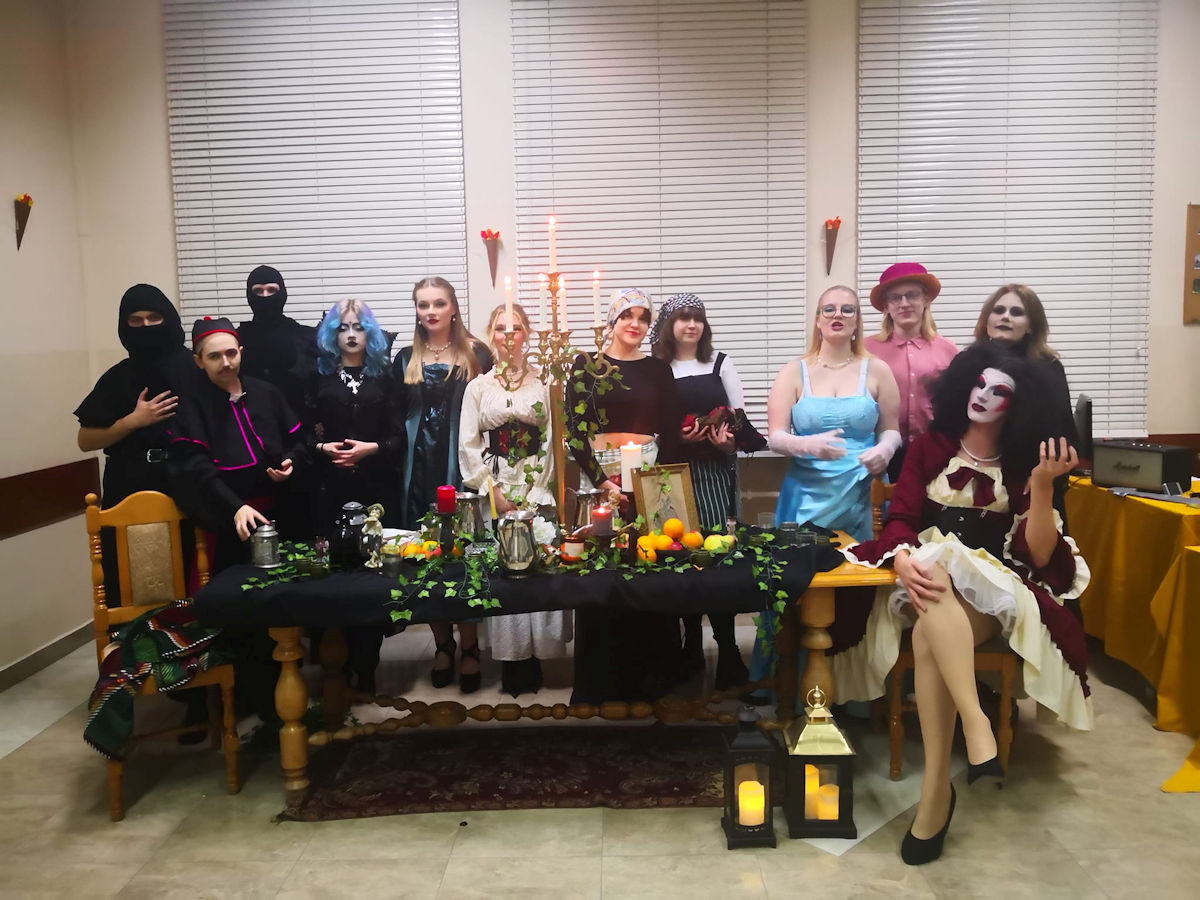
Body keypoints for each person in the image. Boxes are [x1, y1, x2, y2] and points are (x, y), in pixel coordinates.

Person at [832, 342, 1092, 865]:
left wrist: (1043, 486)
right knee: (935, 580)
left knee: (934, 634)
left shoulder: (1022, 465)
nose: (984, 395)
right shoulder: (930, 447)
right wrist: (901, 557)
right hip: (922, 583)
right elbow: (901, 519)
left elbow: (1041, 555)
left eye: (1000, 391)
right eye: (979, 383)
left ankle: (937, 792)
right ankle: (976, 725)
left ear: (1018, 406)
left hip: (990, 596)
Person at [746, 286, 901, 702]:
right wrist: (806, 445)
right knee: (793, 586)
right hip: (805, 496)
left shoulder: (878, 370)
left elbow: (892, 429)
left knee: (858, 589)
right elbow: (775, 435)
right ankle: (784, 684)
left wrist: (885, 450)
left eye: (847, 310)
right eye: (829, 309)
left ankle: (851, 692)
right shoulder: (793, 371)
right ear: (817, 320)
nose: (838, 315)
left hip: (860, 493)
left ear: (857, 321)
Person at [566, 288, 683, 704]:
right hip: (600, 483)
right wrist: (604, 482)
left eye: (643, 317)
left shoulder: (659, 370)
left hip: (647, 480)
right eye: (626, 316)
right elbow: (574, 432)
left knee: (648, 566)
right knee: (602, 571)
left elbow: (670, 431)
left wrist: (649, 482)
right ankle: (601, 682)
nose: (635, 324)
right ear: (612, 321)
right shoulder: (587, 366)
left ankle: (653, 679)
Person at [459, 303, 569, 696]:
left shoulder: (545, 384)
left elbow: (555, 443)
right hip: (498, 484)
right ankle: (512, 659)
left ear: (528, 335)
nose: (509, 336)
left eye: (517, 328)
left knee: (538, 566)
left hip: (536, 482)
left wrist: (538, 490)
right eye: (501, 328)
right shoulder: (478, 388)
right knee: (505, 569)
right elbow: (468, 445)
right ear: (491, 335)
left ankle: (539, 655)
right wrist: (493, 491)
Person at [392, 276, 492, 693]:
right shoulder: (404, 358)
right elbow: (394, 418)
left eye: (438, 303)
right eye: (423, 304)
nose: (430, 311)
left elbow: (492, 411)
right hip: (416, 467)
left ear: (453, 307)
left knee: (464, 554)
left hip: (460, 461)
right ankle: (442, 644)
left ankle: (470, 646)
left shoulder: (477, 353)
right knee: (424, 555)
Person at [648, 292, 751, 690]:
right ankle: (689, 644)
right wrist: (676, 439)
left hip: (715, 472)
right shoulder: (657, 369)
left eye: (698, 318)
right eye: (683, 318)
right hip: (673, 473)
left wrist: (728, 444)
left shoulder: (721, 364)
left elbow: (739, 422)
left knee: (718, 558)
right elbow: (650, 426)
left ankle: (728, 649)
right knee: (680, 554)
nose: (692, 324)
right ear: (668, 326)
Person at [307, 298, 403, 692]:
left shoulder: (385, 378)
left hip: (375, 488)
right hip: (329, 488)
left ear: (371, 334)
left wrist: (370, 449)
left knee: (372, 576)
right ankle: (337, 666)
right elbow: (300, 431)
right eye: (343, 327)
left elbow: (399, 436)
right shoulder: (317, 376)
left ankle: (367, 668)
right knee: (334, 575)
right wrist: (321, 448)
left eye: (359, 327)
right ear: (333, 334)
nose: (351, 334)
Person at [168, 317, 305, 572]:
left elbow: (298, 442)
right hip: (226, 521)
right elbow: (196, 470)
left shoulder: (267, 392)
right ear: (199, 361)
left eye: (231, 353)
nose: (226, 363)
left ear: (240, 352)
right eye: (214, 356)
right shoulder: (192, 405)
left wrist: (291, 461)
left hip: (281, 514)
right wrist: (236, 507)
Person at [973, 283, 1078, 524]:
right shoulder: (969, 363)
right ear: (987, 319)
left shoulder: (1049, 368)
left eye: (1016, 312)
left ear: (1031, 326)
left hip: (1031, 481)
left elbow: (1061, 432)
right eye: (998, 310)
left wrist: (1043, 478)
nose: (1005, 317)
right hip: (978, 478)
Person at [237, 265, 319, 538]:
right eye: (258, 291)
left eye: (271, 290)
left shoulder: (306, 338)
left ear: (283, 293)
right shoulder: (236, 341)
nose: (265, 296)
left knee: (302, 534)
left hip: (301, 447)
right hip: (250, 451)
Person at [865, 262, 958, 481]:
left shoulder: (948, 351)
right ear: (886, 306)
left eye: (912, 295)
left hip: (934, 452)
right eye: (895, 298)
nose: (904, 304)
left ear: (926, 299)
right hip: (880, 453)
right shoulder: (866, 351)